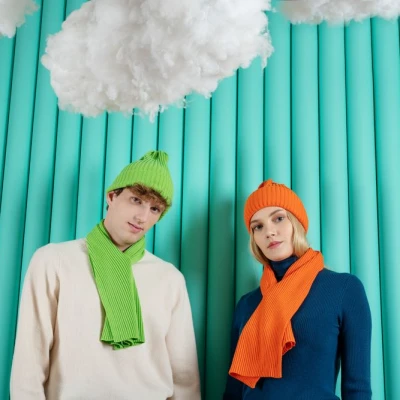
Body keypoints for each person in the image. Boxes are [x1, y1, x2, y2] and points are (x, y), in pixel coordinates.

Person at [10, 150, 201, 400]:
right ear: (112, 196)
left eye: (155, 209)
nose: (142, 217)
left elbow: (184, 378)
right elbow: (29, 361)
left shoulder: (169, 279)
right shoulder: (54, 261)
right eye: (136, 200)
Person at [224, 179, 372, 399]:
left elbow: (357, 389)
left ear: (297, 222)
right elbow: (234, 392)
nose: (269, 232)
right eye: (258, 226)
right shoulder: (247, 304)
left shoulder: (344, 289)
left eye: (278, 218)